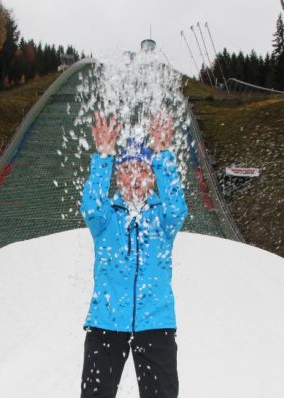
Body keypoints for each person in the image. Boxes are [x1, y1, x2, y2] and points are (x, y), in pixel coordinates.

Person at [79, 111, 188, 398]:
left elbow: (178, 208)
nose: (135, 178)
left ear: (152, 177)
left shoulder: (162, 218)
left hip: (156, 321)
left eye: (142, 170)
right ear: (118, 177)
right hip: (106, 320)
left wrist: (162, 153)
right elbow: (89, 207)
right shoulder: (106, 218)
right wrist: (103, 156)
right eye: (127, 170)